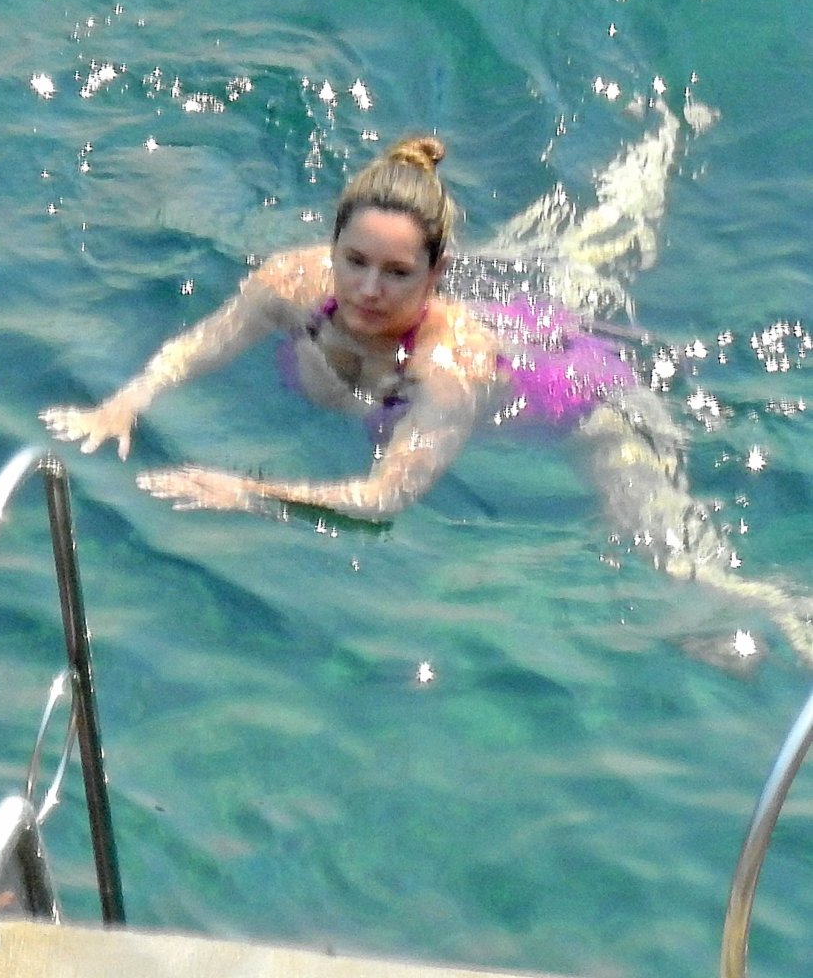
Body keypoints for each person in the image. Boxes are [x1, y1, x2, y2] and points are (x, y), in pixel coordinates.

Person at [41, 105, 813, 665]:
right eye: (354, 261)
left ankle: (784, 609)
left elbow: (382, 499)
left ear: (437, 273)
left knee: (673, 559)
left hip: (583, 404)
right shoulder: (292, 280)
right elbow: (198, 346)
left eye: (396, 272)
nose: (367, 288)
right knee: (573, 257)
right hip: (500, 320)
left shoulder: (448, 368)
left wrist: (246, 492)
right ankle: (649, 158)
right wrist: (126, 402)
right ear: (331, 244)